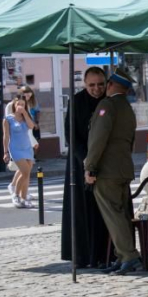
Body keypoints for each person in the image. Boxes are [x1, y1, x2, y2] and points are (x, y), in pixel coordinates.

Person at [84, 69, 140, 276]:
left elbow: (98, 139)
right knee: (121, 214)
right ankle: (121, 255)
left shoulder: (107, 105)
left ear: (110, 85)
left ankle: (128, 255)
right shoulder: (126, 107)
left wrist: (90, 166)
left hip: (108, 170)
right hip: (123, 167)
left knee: (113, 215)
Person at [61, 67, 110, 269]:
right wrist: (86, 161)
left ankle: (105, 253)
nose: (96, 89)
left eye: (100, 84)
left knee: (103, 211)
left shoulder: (109, 100)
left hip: (106, 161)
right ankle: (82, 255)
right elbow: (71, 135)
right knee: (81, 210)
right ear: (85, 84)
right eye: (92, 85)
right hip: (79, 161)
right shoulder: (77, 101)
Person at [3, 96, 36, 208]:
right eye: (18, 104)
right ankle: (16, 195)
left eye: (23, 104)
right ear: (14, 105)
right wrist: (5, 152)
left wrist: (25, 114)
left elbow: (31, 126)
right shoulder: (8, 119)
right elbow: (6, 136)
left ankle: (23, 198)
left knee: (26, 175)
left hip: (27, 147)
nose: (20, 106)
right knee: (25, 172)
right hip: (15, 148)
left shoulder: (26, 117)